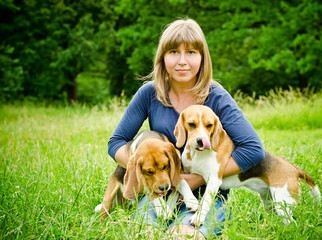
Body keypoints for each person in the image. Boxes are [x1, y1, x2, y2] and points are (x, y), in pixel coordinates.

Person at [107, 18, 264, 239]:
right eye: (173, 52)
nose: (182, 61)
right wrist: (142, 170)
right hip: (159, 193)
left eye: (191, 52)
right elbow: (116, 142)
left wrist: (198, 178)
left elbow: (253, 149)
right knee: (145, 234)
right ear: (162, 57)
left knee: (183, 235)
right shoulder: (149, 93)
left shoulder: (217, 97)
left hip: (206, 197)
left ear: (202, 58)